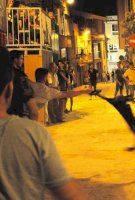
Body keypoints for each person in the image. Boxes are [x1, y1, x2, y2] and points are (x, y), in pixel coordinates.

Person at [0, 47, 87, 199]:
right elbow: (69, 194)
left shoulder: (27, 81)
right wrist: (31, 130)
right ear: (8, 89)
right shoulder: (30, 132)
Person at [7, 50, 39, 121]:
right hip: (19, 115)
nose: (23, 61)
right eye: (21, 58)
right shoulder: (20, 76)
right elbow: (32, 108)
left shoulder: (5, 74)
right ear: (15, 59)